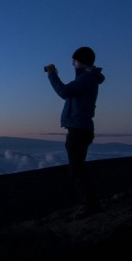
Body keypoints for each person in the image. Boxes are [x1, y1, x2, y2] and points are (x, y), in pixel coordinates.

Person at [44, 47, 105, 216]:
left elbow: (64, 91)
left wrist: (52, 74)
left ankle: (90, 205)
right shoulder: (87, 78)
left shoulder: (86, 79)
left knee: (77, 170)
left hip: (79, 129)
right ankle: (90, 203)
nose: (72, 63)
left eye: (74, 60)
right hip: (80, 128)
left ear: (81, 61)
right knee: (78, 168)